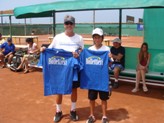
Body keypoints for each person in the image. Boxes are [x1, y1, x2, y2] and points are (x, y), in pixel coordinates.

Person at [40, 15, 84, 122]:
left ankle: (73, 110)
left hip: (73, 67)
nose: (69, 25)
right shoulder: (58, 37)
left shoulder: (79, 38)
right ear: (64, 25)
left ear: (74, 25)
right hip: (59, 69)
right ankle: (58, 111)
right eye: (67, 23)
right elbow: (50, 49)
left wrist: (77, 53)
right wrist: (43, 49)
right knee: (59, 89)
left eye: (71, 23)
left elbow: (81, 49)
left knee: (73, 89)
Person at [85, 28, 110, 123]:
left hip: (103, 79)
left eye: (99, 37)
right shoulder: (89, 50)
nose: (97, 39)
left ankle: (104, 117)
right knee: (92, 98)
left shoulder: (107, 50)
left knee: (104, 99)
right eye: (95, 37)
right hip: (92, 80)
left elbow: (110, 64)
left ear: (102, 38)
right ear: (93, 39)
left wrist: (110, 58)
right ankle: (91, 115)